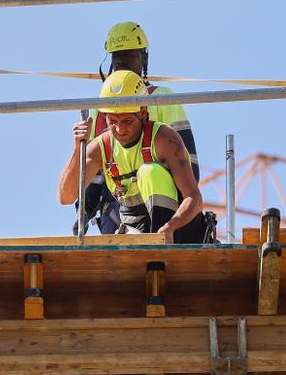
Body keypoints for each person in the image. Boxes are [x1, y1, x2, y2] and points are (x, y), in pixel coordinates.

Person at [58, 70, 208, 244]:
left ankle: (161, 248)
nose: (120, 129)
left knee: (149, 172)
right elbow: (66, 196)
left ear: (143, 113)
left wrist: (170, 227)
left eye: (127, 121)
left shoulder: (164, 139)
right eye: (112, 121)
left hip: (180, 230)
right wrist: (78, 149)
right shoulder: (102, 147)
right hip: (138, 230)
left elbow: (194, 197)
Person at [77, 22, 199, 234]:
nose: (121, 60)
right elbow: (95, 167)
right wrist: (84, 211)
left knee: (149, 172)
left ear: (143, 57)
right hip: (117, 207)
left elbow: (189, 165)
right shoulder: (103, 107)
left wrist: (181, 215)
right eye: (116, 55)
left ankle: (159, 246)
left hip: (160, 202)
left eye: (129, 54)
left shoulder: (162, 98)